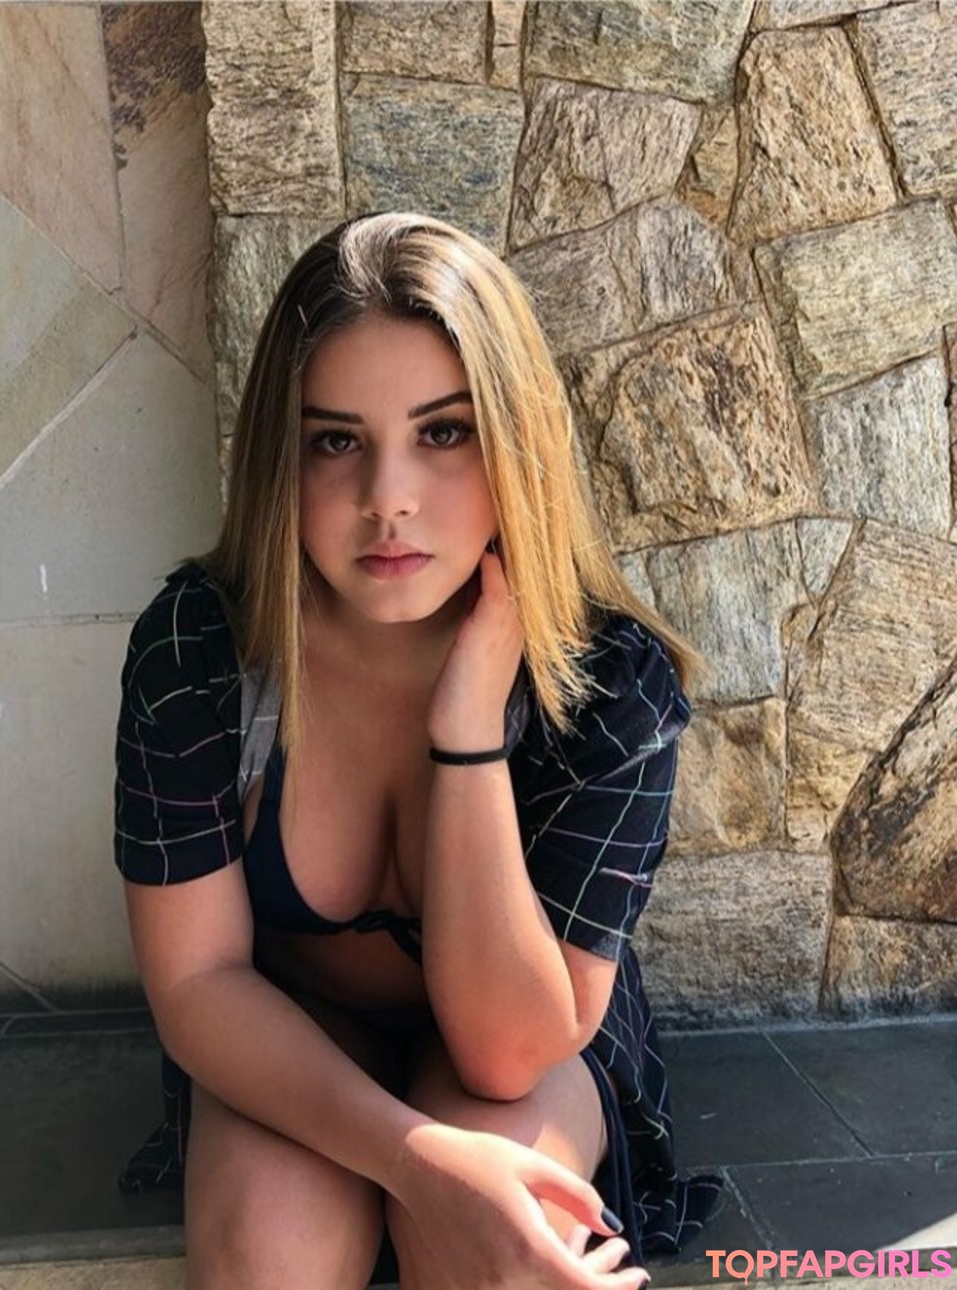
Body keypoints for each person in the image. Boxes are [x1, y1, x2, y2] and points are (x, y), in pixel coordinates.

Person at [112, 210, 723, 1289]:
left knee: (508, 1240)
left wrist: (469, 734)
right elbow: (199, 982)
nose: (386, 499)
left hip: (524, 1057)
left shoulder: (605, 681)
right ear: (282, 457)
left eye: (443, 433)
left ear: (516, 443)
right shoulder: (203, 650)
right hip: (290, 1033)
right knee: (269, 1249)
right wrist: (411, 1158)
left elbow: (508, 1050)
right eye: (335, 440)